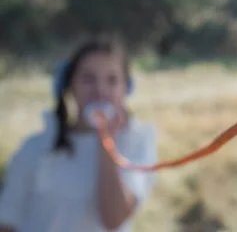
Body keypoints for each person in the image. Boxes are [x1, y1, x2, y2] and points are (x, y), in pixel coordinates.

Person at [0, 36, 158, 232]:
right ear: (69, 85)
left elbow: (113, 219)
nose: (100, 90)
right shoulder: (35, 148)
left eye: (112, 80)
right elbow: (7, 221)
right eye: (88, 79)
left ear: (126, 88)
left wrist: (105, 143)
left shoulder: (137, 143)